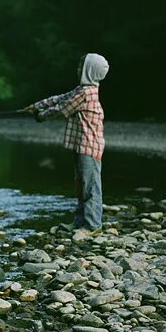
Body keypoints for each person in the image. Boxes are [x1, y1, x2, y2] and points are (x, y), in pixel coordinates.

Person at [23, 53, 109, 232]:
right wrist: (37, 105)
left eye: (81, 66)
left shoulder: (86, 93)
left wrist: (41, 116)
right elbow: (60, 98)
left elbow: (63, 109)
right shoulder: (81, 89)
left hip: (89, 147)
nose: (77, 70)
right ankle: (79, 221)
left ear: (89, 70)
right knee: (80, 184)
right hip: (81, 145)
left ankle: (93, 225)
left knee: (90, 186)